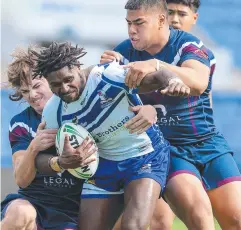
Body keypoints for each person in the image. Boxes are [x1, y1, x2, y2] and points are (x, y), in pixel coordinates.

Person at [100, 0, 241, 230]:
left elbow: (198, 82)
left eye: (138, 23)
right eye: (129, 23)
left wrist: (156, 65)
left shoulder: (190, 45)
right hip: (166, 149)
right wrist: (106, 72)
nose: (132, 29)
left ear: (159, 20)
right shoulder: (122, 53)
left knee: (236, 220)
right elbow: (109, 102)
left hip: (207, 144)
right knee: (197, 216)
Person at [31, 41, 190, 230]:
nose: (64, 89)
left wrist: (173, 81)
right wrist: (61, 162)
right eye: (56, 85)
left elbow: (156, 77)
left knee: (133, 227)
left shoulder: (107, 76)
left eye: (68, 80)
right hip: (103, 165)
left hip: (144, 156)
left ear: (77, 68)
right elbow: (40, 158)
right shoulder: (54, 111)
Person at [1, 48, 94, 230]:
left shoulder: (82, 112)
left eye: (36, 86)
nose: (32, 96)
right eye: (25, 91)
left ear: (51, 81)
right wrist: (34, 147)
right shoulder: (21, 122)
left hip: (72, 209)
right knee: (20, 213)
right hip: (33, 202)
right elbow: (21, 180)